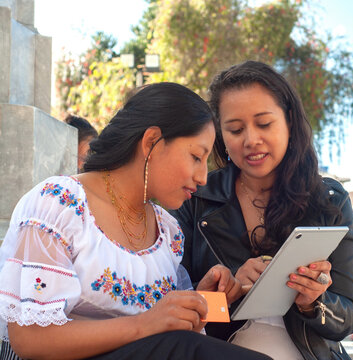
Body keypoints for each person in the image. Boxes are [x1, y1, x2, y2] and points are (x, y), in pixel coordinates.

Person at [0, 83, 271, 360]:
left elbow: (166, 333)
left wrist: (201, 303)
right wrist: (144, 325)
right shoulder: (60, 204)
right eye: (196, 157)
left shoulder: (168, 232)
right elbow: (29, 337)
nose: (203, 177)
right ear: (151, 142)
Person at [172, 61, 353, 359]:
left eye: (264, 124)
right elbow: (169, 311)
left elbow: (350, 317)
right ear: (219, 135)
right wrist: (227, 292)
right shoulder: (194, 199)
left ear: (289, 121)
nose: (251, 140)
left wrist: (313, 301)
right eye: (235, 129)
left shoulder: (329, 199)